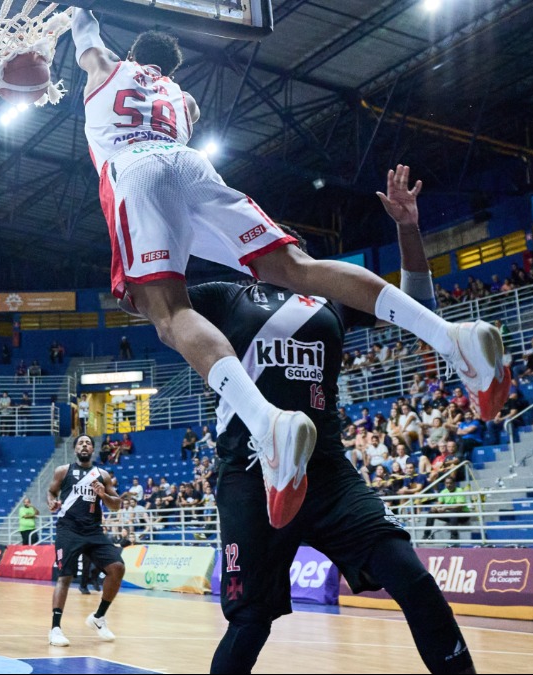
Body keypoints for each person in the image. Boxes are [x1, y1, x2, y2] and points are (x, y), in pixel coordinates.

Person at [71, 8, 508, 529]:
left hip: (136, 168)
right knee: (295, 265)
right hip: (190, 165)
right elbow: (167, 95)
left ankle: (266, 422)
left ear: (133, 56)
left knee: (166, 311)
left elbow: (86, 35)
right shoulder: (181, 101)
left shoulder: (105, 70)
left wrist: (73, 17)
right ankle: (452, 336)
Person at [172, 188, 475, 672]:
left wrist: (408, 228)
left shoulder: (331, 296)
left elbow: (416, 304)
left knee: (412, 579)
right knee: (250, 621)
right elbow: (153, 307)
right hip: (251, 474)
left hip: (327, 472)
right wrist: (156, 240)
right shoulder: (226, 296)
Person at [46, 434, 125, 648]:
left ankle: (98, 617)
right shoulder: (63, 471)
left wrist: (103, 495)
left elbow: (116, 504)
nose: (84, 445)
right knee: (65, 577)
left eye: (88, 443)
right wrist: (52, 503)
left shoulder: (102, 475)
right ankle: (55, 629)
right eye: (80, 442)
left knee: (117, 567)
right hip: (68, 529)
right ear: (75, 449)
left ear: (93, 450)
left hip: (93, 530)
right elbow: (51, 492)